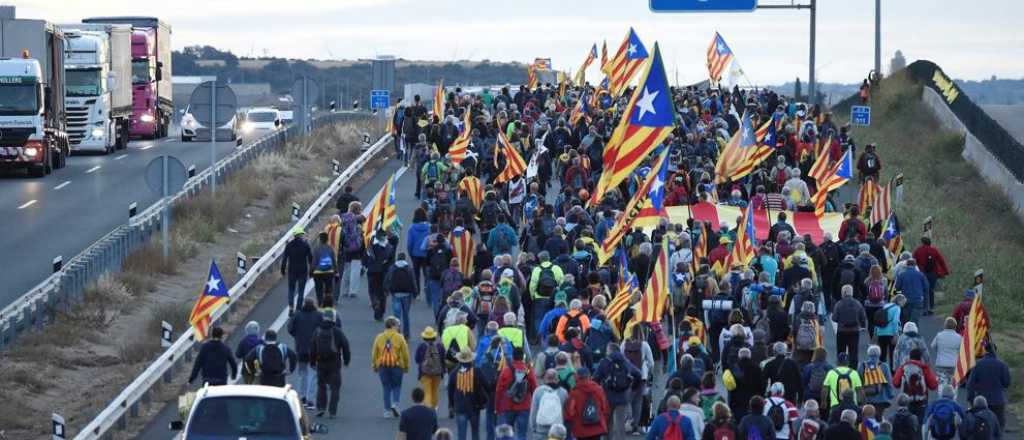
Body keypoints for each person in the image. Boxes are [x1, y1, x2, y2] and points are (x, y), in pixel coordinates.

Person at [594, 342, 643, 439]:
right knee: (620, 425)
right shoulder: (625, 361)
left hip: (608, 397)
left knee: (607, 424)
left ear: (610, 350)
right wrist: (633, 387)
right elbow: (638, 374)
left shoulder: (604, 362)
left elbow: (596, 378)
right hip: (623, 397)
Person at [309, 309, 351, 418]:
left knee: (321, 385)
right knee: (335, 387)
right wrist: (346, 361)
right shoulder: (337, 331)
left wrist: (312, 362)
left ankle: (321, 408)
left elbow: (312, 347)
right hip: (334, 362)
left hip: (321, 362)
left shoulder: (317, 331)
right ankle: (332, 411)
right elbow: (345, 346)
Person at [967, 343, 1011, 432]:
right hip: (998, 401)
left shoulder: (978, 365)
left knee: (981, 428)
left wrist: (971, 400)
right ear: (995, 351)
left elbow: (970, 384)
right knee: (998, 428)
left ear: (984, 350)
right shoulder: (1002, 365)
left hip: (981, 401)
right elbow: (1007, 383)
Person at [496, 347, 537, 440]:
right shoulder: (528, 371)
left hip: (508, 406)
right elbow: (534, 388)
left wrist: (497, 408)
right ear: (523, 357)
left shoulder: (506, 371)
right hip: (524, 406)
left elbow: (499, 391)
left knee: (507, 435)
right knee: (522, 435)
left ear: (513, 357)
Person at [288, 296, 323, 407]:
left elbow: (290, 328)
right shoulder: (319, 315)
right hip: (315, 349)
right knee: (313, 374)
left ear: (304, 304)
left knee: (302, 374)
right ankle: (310, 400)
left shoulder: (297, 315)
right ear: (314, 304)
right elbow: (323, 329)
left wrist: (297, 336)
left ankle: (301, 397)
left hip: (300, 348)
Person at [449, 349, 491, 440]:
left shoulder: (454, 373)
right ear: (471, 360)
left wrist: (452, 405)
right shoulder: (477, 371)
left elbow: (450, 391)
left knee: (461, 435)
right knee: (475, 432)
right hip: (474, 406)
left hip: (460, 407)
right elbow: (487, 386)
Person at [373, 317, 411, 417]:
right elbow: (405, 353)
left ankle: (386, 411)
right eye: (397, 325)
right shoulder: (399, 337)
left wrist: (374, 365)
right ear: (393, 326)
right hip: (397, 366)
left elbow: (374, 352)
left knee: (386, 387)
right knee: (397, 386)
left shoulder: (379, 337)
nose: (398, 327)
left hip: (382, 366)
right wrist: (406, 366)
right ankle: (395, 404)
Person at [892, 348, 938, 425]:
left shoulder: (903, 367)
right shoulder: (924, 368)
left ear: (910, 357)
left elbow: (895, 383)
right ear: (920, 358)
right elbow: (933, 385)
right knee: (920, 423)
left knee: (907, 423)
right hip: (921, 400)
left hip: (906, 400)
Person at [562, 367, 609, 440]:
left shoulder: (574, 393)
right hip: (597, 427)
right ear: (589, 376)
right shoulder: (599, 390)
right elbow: (605, 408)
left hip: (581, 430)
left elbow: (570, 412)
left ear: (577, 377)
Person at [723, 348, 764, 422]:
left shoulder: (733, 368)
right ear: (750, 356)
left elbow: (730, 388)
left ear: (739, 356)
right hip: (753, 403)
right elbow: (761, 386)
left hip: (737, 403)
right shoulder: (757, 368)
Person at [911, 237, 949, 315]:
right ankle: (931, 307)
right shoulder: (934, 250)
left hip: (922, 273)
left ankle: (924, 308)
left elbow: (913, 261)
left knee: (923, 290)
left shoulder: (918, 250)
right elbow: (941, 261)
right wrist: (945, 271)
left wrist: (913, 272)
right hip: (933, 273)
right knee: (931, 290)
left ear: (922, 242)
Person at [831, 285, 867, 367]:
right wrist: (863, 325)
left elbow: (834, 318)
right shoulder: (857, 303)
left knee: (841, 351)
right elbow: (863, 317)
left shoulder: (839, 304)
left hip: (842, 330)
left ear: (843, 293)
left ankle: (841, 367)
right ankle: (853, 368)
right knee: (853, 351)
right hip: (854, 331)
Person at [280, 227, 314, 315]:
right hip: (303, 271)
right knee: (301, 291)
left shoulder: (289, 245)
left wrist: (283, 270)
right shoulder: (305, 245)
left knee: (291, 290)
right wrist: (311, 271)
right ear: (301, 235)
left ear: (294, 235)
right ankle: (298, 309)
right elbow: (310, 259)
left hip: (292, 271)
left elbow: (284, 259)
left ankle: (291, 307)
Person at [529, 369, 569, 440]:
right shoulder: (563, 392)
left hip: (541, 429)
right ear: (557, 379)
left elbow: (534, 412)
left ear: (545, 379)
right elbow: (566, 412)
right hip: (557, 430)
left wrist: (534, 428)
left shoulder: (538, 391)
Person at [821, 353, 863, 419]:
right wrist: (863, 403)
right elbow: (860, 391)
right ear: (848, 362)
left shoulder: (831, 373)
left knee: (834, 423)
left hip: (835, 406)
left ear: (837, 362)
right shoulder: (854, 373)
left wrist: (824, 402)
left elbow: (825, 389)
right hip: (852, 406)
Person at [387, 252, 419, 339]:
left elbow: (388, 279)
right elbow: (413, 281)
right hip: (407, 294)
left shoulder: (392, 267)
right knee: (406, 315)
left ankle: (396, 333)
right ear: (405, 259)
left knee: (396, 315)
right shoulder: (409, 268)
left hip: (396, 293)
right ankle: (406, 334)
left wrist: (387, 290)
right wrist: (415, 293)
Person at [367, 230, 397, 320]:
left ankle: (375, 303)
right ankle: (381, 312)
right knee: (382, 293)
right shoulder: (389, 247)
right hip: (384, 272)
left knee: (372, 290)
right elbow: (392, 261)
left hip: (372, 270)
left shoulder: (371, 246)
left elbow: (365, 257)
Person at [858, 345, 895, 414]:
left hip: (866, 398)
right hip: (880, 399)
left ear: (868, 354)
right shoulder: (884, 366)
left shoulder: (862, 366)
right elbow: (889, 382)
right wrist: (890, 394)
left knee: (867, 417)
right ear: (879, 354)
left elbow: (858, 382)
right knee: (879, 417)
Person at [416, 326, 447, 410]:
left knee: (427, 391)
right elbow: (443, 359)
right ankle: (434, 407)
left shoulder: (421, 347)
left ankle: (427, 408)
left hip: (424, 373)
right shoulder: (439, 346)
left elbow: (417, 359)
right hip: (437, 373)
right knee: (435, 390)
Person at [893, 259, 928, 323]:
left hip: (905, 300)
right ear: (915, 265)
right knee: (915, 320)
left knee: (905, 320)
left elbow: (897, 288)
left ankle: (906, 328)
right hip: (917, 299)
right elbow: (926, 288)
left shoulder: (901, 275)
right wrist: (925, 303)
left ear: (906, 265)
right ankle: (913, 328)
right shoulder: (921, 275)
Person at [874, 294, 904, 367]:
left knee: (882, 354)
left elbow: (878, 319)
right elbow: (895, 321)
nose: (904, 304)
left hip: (880, 332)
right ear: (900, 301)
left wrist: (876, 333)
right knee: (892, 353)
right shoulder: (897, 308)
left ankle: (881, 369)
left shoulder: (885, 306)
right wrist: (896, 334)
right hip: (890, 333)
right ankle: (892, 370)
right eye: (903, 302)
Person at [930, 317, 962, 385]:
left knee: (941, 383)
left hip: (941, 363)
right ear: (955, 326)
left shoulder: (939, 335)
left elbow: (932, 346)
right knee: (953, 384)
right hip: (953, 364)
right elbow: (961, 350)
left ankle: (941, 391)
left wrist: (939, 350)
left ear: (945, 325)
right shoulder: (959, 337)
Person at [311, 231, 338, 305]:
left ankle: (320, 303)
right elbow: (333, 261)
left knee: (318, 289)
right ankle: (328, 303)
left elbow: (314, 261)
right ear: (327, 239)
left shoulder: (316, 248)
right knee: (328, 289)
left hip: (318, 272)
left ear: (320, 239)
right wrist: (336, 272)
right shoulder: (330, 248)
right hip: (329, 272)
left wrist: (311, 271)